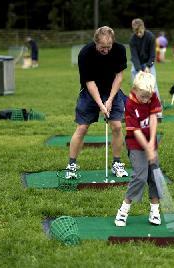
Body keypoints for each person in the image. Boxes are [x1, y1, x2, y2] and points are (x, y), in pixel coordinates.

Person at [65, 26, 128, 179]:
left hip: (112, 90)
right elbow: (90, 82)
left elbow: (119, 77)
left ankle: (117, 163)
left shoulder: (119, 50)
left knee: (117, 126)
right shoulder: (86, 53)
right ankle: (71, 165)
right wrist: (101, 104)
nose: (106, 50)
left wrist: (111, 99)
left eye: (109, 47)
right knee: (82, 128)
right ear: (95, 43)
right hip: (90, 92)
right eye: (102, 47)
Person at [114, 71, 162, 227]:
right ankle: (123, 210)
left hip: (150, 141)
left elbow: (154, 119)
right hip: (135, 143)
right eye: (143, 97)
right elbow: (135, 130)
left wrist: (152, 144)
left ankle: (155, 210)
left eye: (149, 96)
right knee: (140, 176)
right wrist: (147, 148)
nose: (147, 99)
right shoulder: (129, 104)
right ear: (135, 90)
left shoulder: (151, 95)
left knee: (154, 175)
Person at [130, 18, 162, 118]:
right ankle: (137, 109)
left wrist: (148, 66)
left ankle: (157, 110)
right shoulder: (132, 40)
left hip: (149, 63)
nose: (138, 34)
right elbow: (134, 56)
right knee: (136, 85)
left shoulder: (150, 37)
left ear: (143, 28)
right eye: (136, 32)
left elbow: (152, 54)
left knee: (153, 85)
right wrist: (139, 70)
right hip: (137, 64)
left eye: (140, 32)